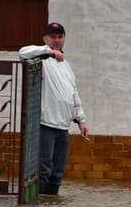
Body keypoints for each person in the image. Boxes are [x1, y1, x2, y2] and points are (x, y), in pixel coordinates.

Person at [18, 22, 89, 196]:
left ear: (64, 39)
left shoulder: (66, 65)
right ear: (45, 39)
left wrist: (81, 120)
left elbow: (74, 94)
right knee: (43, 170)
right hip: (46, 124)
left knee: (57, 173)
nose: (57, 40)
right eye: (53, 37)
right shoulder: (40, 58)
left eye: (60, 37)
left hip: (63, 127)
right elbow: (22, 52)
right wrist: (48, 51)